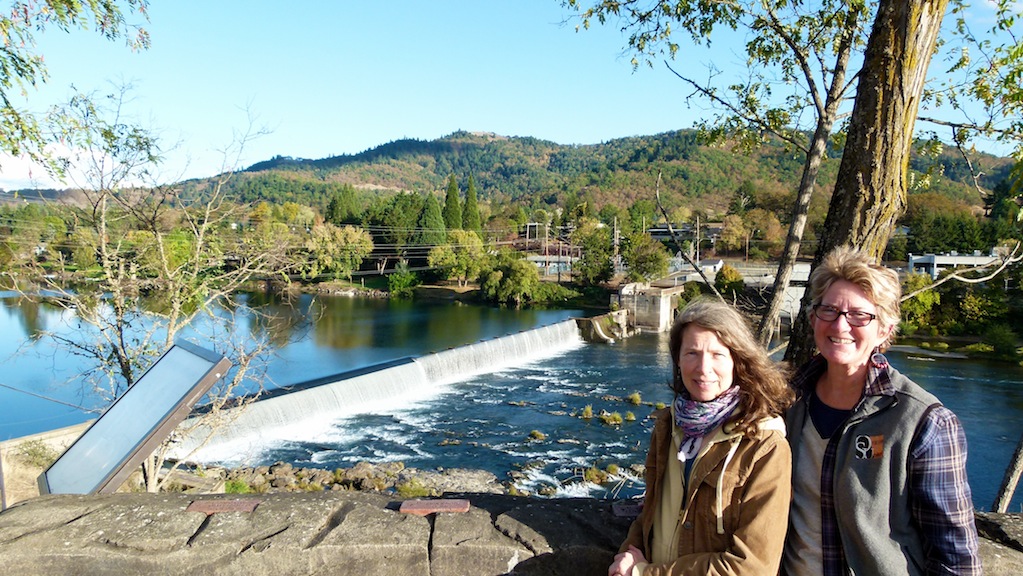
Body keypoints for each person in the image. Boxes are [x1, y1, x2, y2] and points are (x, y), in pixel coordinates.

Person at [782, 246, 981, 575]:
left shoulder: (923, 422)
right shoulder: (786, 401)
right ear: (814, 318)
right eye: (829, 310)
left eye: (860, 315)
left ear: (885, 330)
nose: (841, 325)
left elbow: (955, 556)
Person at [609, 298, 794, 576]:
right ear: (678, 360)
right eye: (692, 353)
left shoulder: (764, 445)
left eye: (717, 354)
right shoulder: (669, 425)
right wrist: (627, 553)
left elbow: (753, 567)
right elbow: (651, 513)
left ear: (737, 361)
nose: (703, 368)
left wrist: (644, 573)